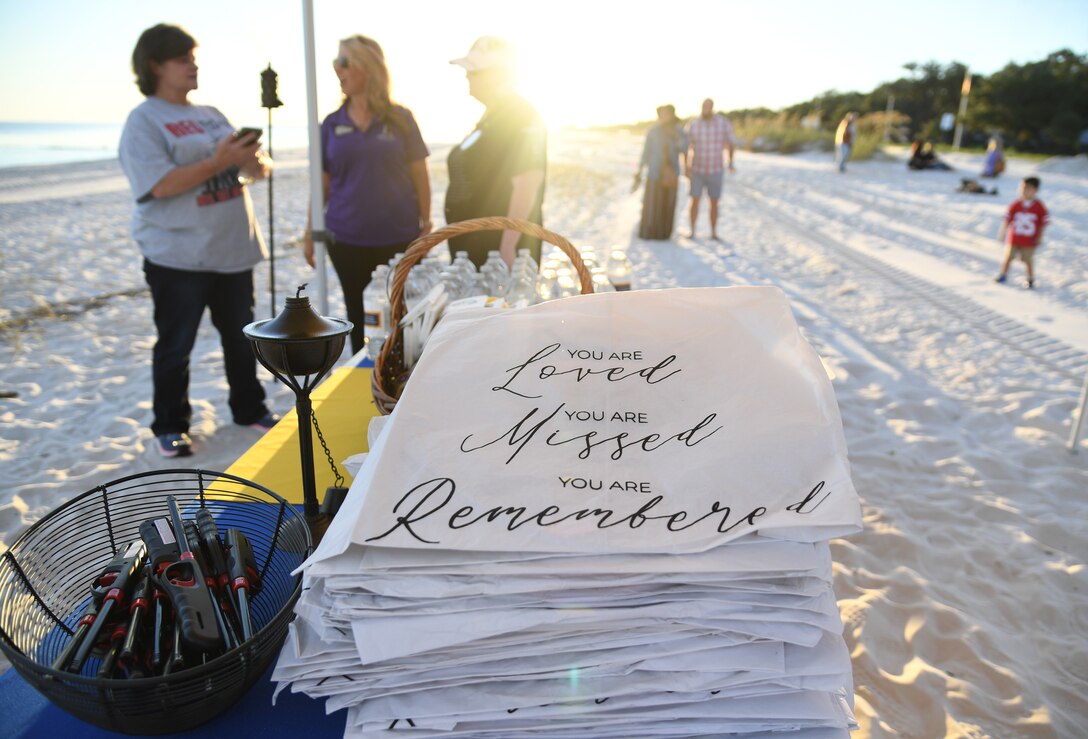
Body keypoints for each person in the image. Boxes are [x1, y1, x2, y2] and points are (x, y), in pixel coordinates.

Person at [119, 24, 278, 458]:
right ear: (156, 65)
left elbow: (247, 171)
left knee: (242, 338)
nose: (194, 65)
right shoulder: (144, 120)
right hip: (179, 256)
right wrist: (218, 160)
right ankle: (170, 425)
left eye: (194, 56)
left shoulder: (210, 112)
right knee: (176, 345)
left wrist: (252, 161)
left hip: (232, 250)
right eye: (183, 58)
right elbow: (159, 184)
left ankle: (249, 409)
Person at [304, 35, 431, 355]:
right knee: (358, 317)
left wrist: (426, 222)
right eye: (335, 62)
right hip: (346, 239)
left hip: (399, 236)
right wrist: (309, 232)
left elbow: (420, 174)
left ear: (367, 66)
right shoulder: (331, 124)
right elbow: (321, 184)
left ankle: (398, 385)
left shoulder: (401, 118)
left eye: (343, 61)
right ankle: (364, 383)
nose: (336, 69)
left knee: (400, 317)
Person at [445, 36, 546, 268]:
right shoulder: (493, 115)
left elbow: (526, 184)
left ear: (497, 74)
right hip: (475, 246)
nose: (467, 77)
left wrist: (507, 247)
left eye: (473, 72)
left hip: (496, 253)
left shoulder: (519, 114)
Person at [684, 98, 736, 240]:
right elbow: (685, 147)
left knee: (714, 202)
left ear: (712, 107)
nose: (706, 109)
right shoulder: (693, 124)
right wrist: (686, 167)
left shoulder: (722, 123)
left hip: (716, 169)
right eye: (703, 106)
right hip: (697, 169)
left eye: (708, 106)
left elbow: (731, 143)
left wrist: (730, 162)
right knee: (694, 200)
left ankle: (713, 232)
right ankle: (692, 231)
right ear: (701, 107)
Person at [633, 105, 686, 240]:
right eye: (662, 113)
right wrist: (639, 170)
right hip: (654, 173)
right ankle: (649, 233)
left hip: (671, 173)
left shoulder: (679, 131)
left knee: (668, 204)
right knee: (652, 204)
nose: (664, 116)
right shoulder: (653, 131)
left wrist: (676, 140)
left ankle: (664, 234)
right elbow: (646, 152)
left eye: (667, 113)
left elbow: (685, 149)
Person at [995, 176, 1048, 289]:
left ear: (1035, 190)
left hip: (1029, 240)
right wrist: (1003, 232)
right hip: (1014, 237)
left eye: (1027, 188)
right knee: (1008, 257)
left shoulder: (1039, 206)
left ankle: (1030, 279)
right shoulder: (1016, 204)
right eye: (1022, 188)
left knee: (1028, 260)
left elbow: (1043, 223)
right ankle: (1003, 274)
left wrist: (1040, 237)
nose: (1023, 191)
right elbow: (1007, 219)